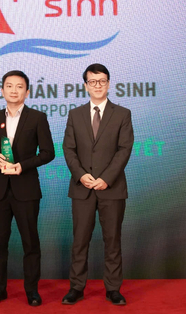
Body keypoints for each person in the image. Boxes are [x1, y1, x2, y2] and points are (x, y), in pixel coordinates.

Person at [0, 70, 55, 306]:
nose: (14, 90)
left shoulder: (37, 118)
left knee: (30, 243)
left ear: (27, 91)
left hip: (26, 190)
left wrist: (22, 165)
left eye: (19, 86)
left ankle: (31, 290)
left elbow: (48, 153)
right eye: (9, 86)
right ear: (2, 91)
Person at [62, 63, 134, 306]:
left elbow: (124, 149)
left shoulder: (122, 114)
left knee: (112, 241)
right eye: (92, 81)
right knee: (79, 240)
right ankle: (76, 288)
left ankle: (113, 289)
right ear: (85, 85)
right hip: (82, 188)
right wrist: (81, 175)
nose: (97, 85)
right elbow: (69, 149)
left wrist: (107, 178)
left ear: (109, 83)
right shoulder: (75, 114)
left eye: (102, 81)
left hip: (111, 189)